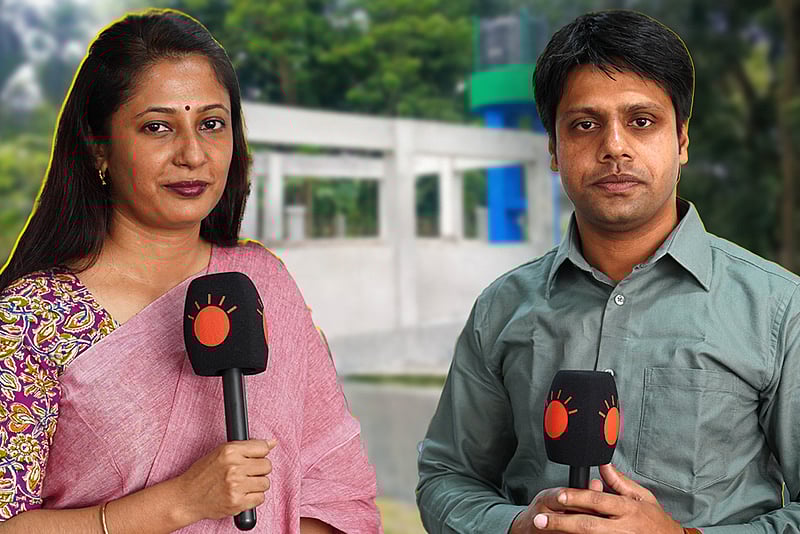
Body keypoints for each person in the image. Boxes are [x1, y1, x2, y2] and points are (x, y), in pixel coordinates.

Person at [417, 9, 799, 534]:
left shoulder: (777, 309)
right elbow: (446, 477)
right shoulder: (502, 308)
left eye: (641, 121)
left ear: (682, 140)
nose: (614, 146)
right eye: (584, 124)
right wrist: (517, 526)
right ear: (554, 149)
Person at [0, 8, 380, 533]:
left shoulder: (260, 282)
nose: (193, 154)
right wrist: (180, 501)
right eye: (157, 127)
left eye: (211, 124)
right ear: (98, 147)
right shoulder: (33, 319)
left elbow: (335, 488)